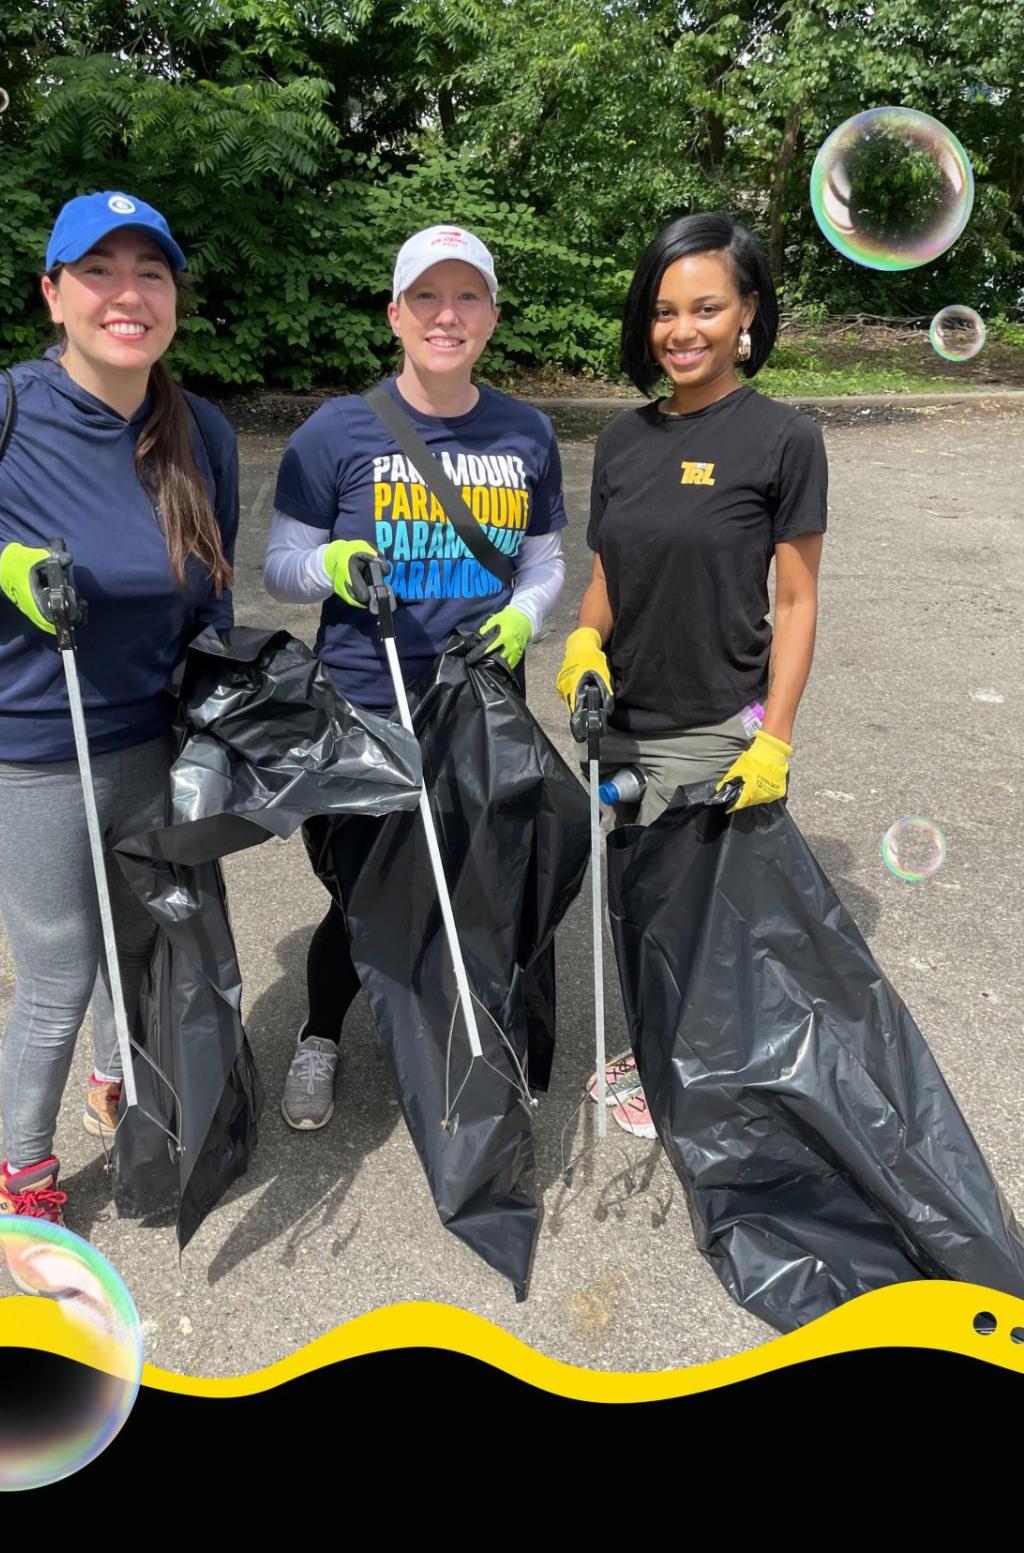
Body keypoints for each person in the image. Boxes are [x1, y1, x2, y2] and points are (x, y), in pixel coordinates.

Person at [0, 191, 240, 1221]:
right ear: (54, 294)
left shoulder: (200, 429)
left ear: (174, 299)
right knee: (63, 967)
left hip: (149, 739)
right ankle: (24, 1168)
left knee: (139, 943)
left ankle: (119, 1084)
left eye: (150, 273)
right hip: (24, 746)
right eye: (99, 272)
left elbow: (215, 589)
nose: (128, 294)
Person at [264, 224, 567, 1129]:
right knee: (366, 893)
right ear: (395, 314)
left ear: (492, 316)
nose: (447, 315)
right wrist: (333, 564)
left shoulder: (527, 430)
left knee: (478, 884)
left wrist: (525, 617)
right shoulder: (335, 432)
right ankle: (321, 1034)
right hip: (365, 702)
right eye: (426, 297)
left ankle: (468, 1036)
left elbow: (547, 564)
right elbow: (281, 563)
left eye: (467, 296)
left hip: (480, 705)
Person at [557, 211, 827, 1135]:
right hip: (621, 719)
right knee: (638, 905)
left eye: (706, 307)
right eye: (665, 310)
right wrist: (584, 640)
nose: (682, 330)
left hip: (718, 724)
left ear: (747, 311)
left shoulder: (783, 440)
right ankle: (656, 1051)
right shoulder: (625, 440)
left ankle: (710, 1080)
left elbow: (795, 602)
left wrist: (777, 737)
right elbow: (606, 574)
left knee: (712, 925)